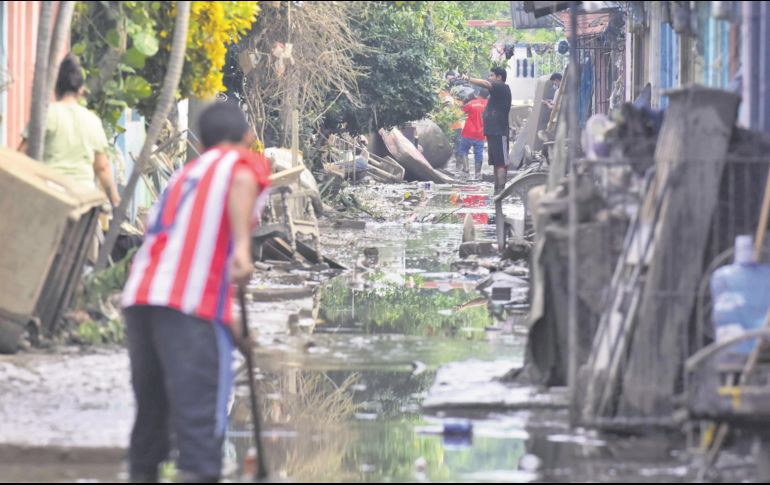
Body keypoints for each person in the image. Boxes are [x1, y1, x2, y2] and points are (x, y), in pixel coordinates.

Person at [121, 101, 271, 482]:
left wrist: (239, 336)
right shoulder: (239, 162)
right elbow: (242, 179)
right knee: (200, 431)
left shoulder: (184, 175)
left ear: (201, 142)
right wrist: (241, 246)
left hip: (141, 300)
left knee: (150, 425)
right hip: (187, 305)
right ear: (248, 138)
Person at [19, 55, 120, 206]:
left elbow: (21, 154)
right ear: (81, 90)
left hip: (49, 194)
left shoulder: (46, 114)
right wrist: (114, 198)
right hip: (82, 197)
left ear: (56, 88)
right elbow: (102, 167)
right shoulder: (93, 121)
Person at [462, 66, 512, 193]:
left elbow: (485, 83)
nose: (489, 78)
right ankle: (497, 191)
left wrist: (469, 79)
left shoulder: (502, 87)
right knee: (496, 163)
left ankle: (501, 191)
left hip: (500, 132)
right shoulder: (495, 94)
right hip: (493, 132)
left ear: (499, 77)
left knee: (502, 163)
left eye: (491, 75)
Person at [458, 89, 488, 180]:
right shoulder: (489, 104)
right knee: (479, 153)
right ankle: (478, 174)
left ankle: (466, 169)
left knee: (463, 150)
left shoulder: (471, 103)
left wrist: (465, 100)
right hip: (481, 134)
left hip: (468, 132)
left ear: (478, 94)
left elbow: (460, 110)